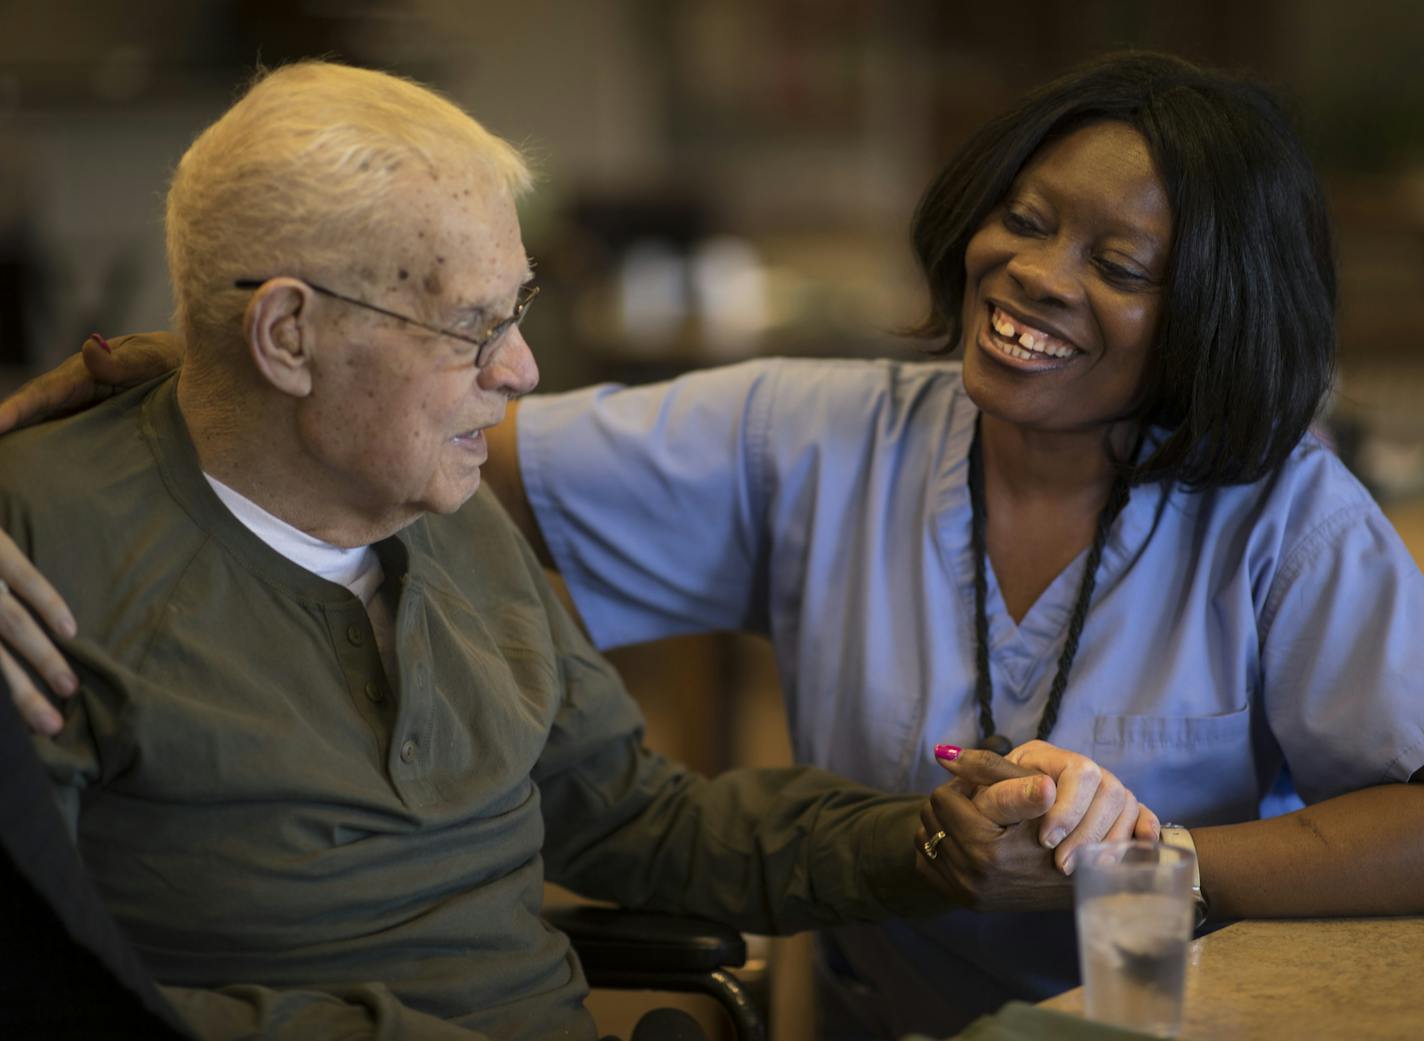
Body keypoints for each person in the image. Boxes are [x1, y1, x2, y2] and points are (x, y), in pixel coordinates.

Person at [6, 50, 1423, 1037]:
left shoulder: (1284, 515)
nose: (521, 375)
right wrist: (190, 370)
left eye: (1121, 268)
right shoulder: (58, 554)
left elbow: (629, 812)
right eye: (1028, 219)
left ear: (1210, 316)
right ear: (288, 335)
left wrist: (1095, 855)